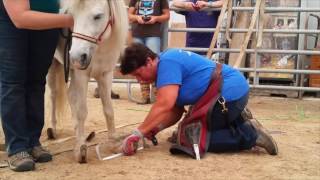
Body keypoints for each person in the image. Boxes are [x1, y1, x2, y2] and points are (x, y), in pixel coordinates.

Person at [120, 43, 278, 157]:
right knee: (185, 133)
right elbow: (175, 110)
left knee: (190, 140)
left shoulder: (167, 64)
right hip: (229, 92)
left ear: (149, 61)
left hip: (228, 94)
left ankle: (250, 134)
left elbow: (164, 104)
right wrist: (154, 129)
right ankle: (238, 120)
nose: (139, 80)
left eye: (138, 74)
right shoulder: (166, 62)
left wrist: (137, 133)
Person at [0, 0, 73, 172]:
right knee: (13, 82)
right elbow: (20, 18)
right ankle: (17, 147)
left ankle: (33, 141)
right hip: (12, 24)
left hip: (47, 27)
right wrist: (70, 20)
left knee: (37, 81)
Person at [128, 0, 170, 104]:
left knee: (155, 63)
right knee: (139, 63)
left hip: (153, 34)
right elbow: (129, 15)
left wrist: (155, 18)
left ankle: (158, 96)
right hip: (137, 33)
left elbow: (167, 15)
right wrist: (137, 18)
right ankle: (145, 96)